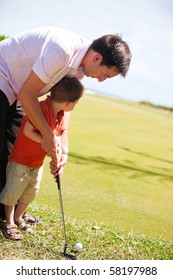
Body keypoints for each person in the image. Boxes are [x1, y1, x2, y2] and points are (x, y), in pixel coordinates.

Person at [0, 26, 132, 221]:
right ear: (97, 58)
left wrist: (63, 151)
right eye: (105, 74)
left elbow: (63, 110)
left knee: (14, 152)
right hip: (4, 78)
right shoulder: (63, 50)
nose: (102, 80)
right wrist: (48, 135)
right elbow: (27, 94)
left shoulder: (79, 70)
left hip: (20, 92)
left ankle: (7, 213)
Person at [0, 76, 84, 240]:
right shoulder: (40, 108)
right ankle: (9, 223)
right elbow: (28, 132)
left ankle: (18, 217)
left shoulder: (59, 114)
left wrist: (57, 152)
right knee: (13, 191)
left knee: (30, 192)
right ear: (69, 103)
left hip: (36, 163)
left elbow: (56, 137)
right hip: (21, 160)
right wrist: (49, 142)